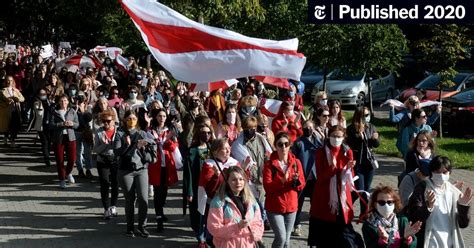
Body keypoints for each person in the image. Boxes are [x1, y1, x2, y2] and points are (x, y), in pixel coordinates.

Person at [309, 125, 364, 247]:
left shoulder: (347, 151)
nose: (336, 139)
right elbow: (320, 178)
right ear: (329, 136)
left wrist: (349, 169)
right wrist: (332, 169)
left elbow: (351, 180)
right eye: (333, 136)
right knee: (324, 239)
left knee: (343, 237)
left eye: (339, 136)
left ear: (343, 137)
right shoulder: (321, 152)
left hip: (342, 200)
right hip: (324, 199)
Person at [406, 156, 472, 247]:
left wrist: (463, 206)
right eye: (437, 172)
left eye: (444, 172)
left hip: (449, 243)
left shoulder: (453, 192)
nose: (441, 175)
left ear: (450, 173)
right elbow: (414, 218)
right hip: (429, 242)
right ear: (431, 172)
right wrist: (428, 207)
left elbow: (463, 224)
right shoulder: (422, 188)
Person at [114, 110, 157, 238]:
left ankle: (142, 226)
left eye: (134, 118)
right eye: (129, 118)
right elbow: (117, 153)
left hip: (141, 169)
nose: (131, 120)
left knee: (144, 199)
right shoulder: (120, 134)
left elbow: (153, 143)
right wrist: (129, 145)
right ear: (124, 120)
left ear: (137, 120)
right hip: (126, 171)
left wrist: (145, 145)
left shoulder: (142, 133)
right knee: (130, 199)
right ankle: (130, 227)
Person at [263, 132, 305, 248]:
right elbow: (267, 186)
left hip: (291, 206)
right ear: (275, 146)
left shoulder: (296, 163)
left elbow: (302, 185)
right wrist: (282, 181)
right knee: (281, 238)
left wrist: (296, 182)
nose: (283, 147)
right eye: (280, 144)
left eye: (286, 144)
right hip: (274, 207)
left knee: (286, 241)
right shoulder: (269, 164)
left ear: (290, 145)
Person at [231, 116, 273, 232]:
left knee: (262, 202)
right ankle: (257, 226)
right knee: (252, 205)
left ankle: (262, 223)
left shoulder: (261, 139)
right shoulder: (237, 145)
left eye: (253, 128)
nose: (250, 130)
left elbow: (269, 154)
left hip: (262, 177)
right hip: (248, 180)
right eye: (247, 128)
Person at [207, 166, 264, 248]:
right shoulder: (218, 202)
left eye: (241, 179)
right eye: (234, 180)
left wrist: (255, 234)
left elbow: (258, 222)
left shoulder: (252, 201)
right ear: (227, 182)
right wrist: (237, 227)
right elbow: (214, 228)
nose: (238, 182)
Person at [198, 138, 240, 246]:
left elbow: (241, 182)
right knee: (215, 230)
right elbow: (208, 188)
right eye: (224, 149)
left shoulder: (234, 163)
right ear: (216, 151)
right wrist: (216, 177)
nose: (227, 150)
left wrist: (244, 170)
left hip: (231, 201)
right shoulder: (209, 165)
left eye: (228, 148)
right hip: (215, 202)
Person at [147, 108, 182, 232]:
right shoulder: (150, 131)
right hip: (155, 165)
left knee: (165, 190)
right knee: (157, 191)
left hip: (167, 164)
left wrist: (170, 144)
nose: (162, 118)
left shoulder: (170, 131)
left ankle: (160, 209)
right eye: (160, 116)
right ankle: (159, 217)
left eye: (164, 116)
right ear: (156, 117)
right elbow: (147, 146)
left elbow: (176, 146)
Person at [346, 107, 380, 216]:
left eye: (368, 115)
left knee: (366, 189)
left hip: (369, 163)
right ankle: (346, 206)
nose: (367, 117)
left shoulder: (371, 127)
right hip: (358, 163)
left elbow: (376, 144)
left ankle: (364, 213)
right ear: (359, 116)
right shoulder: (351, 128)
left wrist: (375, 139)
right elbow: (352, 143)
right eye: (364, 115)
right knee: (360, 190)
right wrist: (360, 136)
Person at [184, 123, 214, 246]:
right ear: (198, 133)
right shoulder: (192, 151)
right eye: (203, 132)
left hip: (211, 187)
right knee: (198, 213)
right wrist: (189, 191)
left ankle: (208, 236)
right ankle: (200, 238)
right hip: (197, 187)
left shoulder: (213, 149)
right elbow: (188, 174)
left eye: (208, 133)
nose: (206, 135)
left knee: (209, 213)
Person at [291, 120, 319, 237]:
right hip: (303, 177)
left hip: (315, 177)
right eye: (306, 127)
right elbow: (293, 160)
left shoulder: (318, 141)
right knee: (299, 203)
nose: (308, 129)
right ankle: (296, 225)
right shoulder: (298, 142)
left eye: (310, 127)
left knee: (315, 203)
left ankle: (315, 224)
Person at [93, 110, 119, 219]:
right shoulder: (99, 132)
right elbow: (95, 149)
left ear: (113, 121)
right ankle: (106, 208)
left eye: (108, 121)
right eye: (104, 121)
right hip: (102, 160)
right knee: (104, 183)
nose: (106, 124)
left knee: (115, 183)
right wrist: (105, 145)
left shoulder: (118, 131)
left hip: (115, 160)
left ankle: (113, 206)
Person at [49, 95, 79, 189]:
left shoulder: (72, 111)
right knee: (60, 160)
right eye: (61, 101)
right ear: (58, 102)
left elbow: (77, 124)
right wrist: (61, 124)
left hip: (71, 137)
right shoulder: (54, 112)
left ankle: (68, 173)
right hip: (59, 138)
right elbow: (50, 124)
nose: (63, 102)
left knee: (72, 159)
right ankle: (62, 179)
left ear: (68, 101)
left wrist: (72, 124)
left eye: (65, 100)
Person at [28, 88, 52, 166]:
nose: (43, 96)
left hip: (50, 124)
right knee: (44, 142)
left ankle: (47, 154)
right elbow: (37, 114)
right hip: (41, 124)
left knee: (49, 141)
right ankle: (46, 158)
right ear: (38, 95)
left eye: (44, 94)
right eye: (41, 94)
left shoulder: (49, 101)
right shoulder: (36, 103)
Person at [0, 76, 25, 147]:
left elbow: (23, 99)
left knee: (14, 127)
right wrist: (6, 102)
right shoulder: (2, 91)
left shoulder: (16, 90)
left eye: (10, 80)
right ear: (5, 81)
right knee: (6, 126)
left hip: (15, 110)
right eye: (7, 80)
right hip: (6, 111)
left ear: (13, 81)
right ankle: (5, 138)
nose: (9, 82)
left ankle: (12, 141)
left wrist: (17, 99)